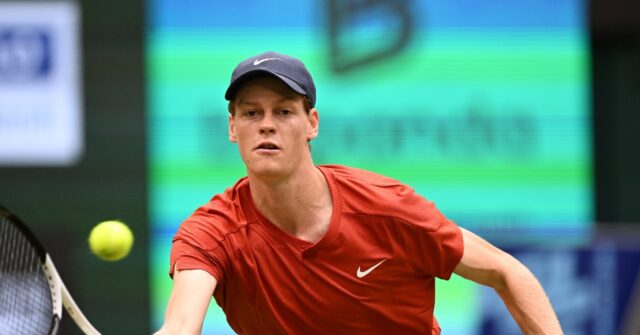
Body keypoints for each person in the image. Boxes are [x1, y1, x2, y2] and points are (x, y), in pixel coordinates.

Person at [155, 51, 563, 335]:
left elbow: (506, 272)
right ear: (232, 129)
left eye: (283, 111)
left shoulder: (387, 208)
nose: (266, 125)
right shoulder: (212, 232)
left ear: (311, 123)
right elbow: (181, 325)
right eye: (250, 113)